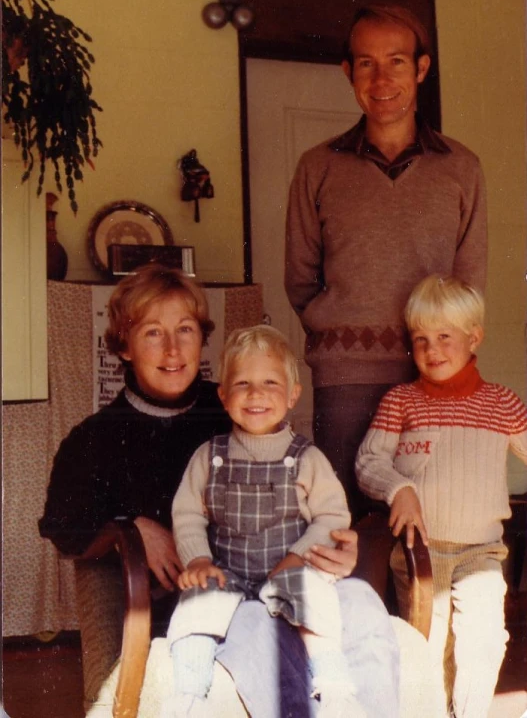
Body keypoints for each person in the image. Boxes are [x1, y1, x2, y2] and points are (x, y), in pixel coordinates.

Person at [39, 263, 400, 718]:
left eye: (185, 329)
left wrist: (330, 549)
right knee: (261, 631)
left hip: (287, 578)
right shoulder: (94, 438)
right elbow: (60, 525)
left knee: (362, 603)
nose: (173, 349)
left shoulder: (236, 404)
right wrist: (132, 528)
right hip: (205, 603)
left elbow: (313, 498)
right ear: (124, 346)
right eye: (153, 332)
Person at [284, 3, 487, 519]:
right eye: (366, 63)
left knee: (428, 521)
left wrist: (441, 351)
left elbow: (468, 285)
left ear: (421, 68)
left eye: (396, 61)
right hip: (344, 378)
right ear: (349, 72)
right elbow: (300, 279)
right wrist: (343, 333)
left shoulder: (461, 168)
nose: (381, 78)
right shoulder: (318, 167)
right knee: (342, 520)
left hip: (435, 376)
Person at [165, 325, 361, 717]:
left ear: (293, 394)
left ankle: (336, 691)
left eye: (270, 382)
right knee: (193, 611)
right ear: (223, 396)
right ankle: (187, 695)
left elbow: (332, 517)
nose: (255, 394)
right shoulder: (210, 455)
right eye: (242, 383)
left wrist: (300, 556)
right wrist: (198, 560)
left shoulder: (306, 458)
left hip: (288, 570)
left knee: (317, 604)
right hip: (226, 572)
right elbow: (186, 514)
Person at [356, 274, 527, 718]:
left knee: (483, 640)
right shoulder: (402, 401)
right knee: (427, 651)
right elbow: (369, 462)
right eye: (421, 339)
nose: (432, 351)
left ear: (475, 338)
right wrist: (401, 488)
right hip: (420, 553)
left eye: (445, 337)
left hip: (481, 551)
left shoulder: (502, 403)